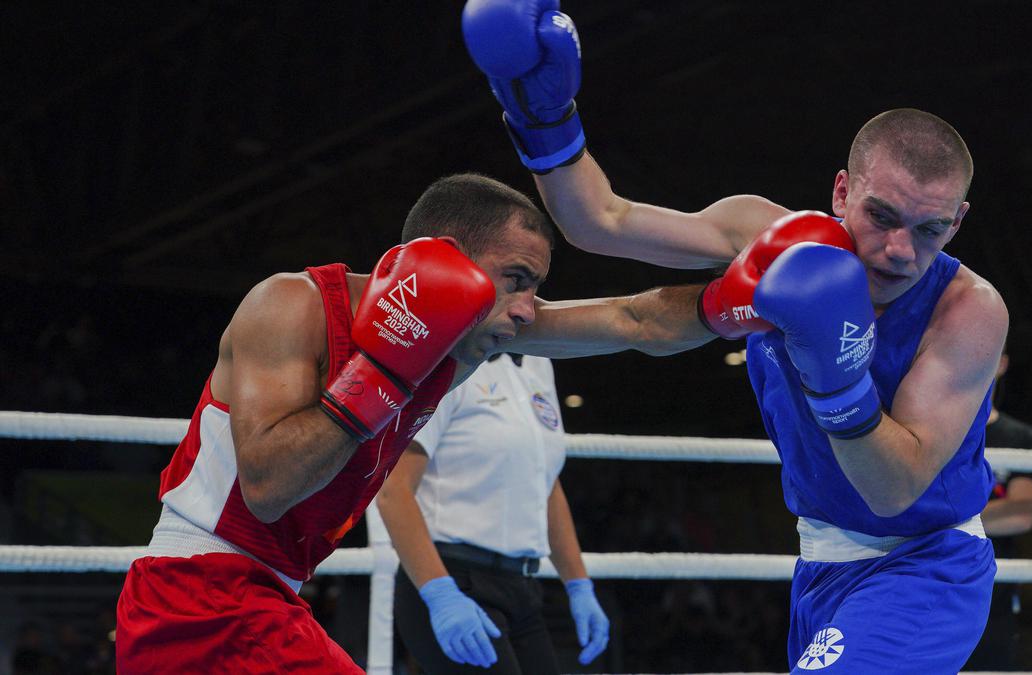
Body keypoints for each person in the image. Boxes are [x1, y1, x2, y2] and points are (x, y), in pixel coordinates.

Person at [461, 4, 1009, 672]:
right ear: (842, 191)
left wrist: (832, 372)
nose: (899, 251)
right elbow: (602, 224)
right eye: (882, 215)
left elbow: (892, 489)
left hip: (927, 565)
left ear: (959, 221)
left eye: (931, 228)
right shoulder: (767, 234)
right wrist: (543, 116)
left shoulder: (969, 311)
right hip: (821, 566)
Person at [114, 173, 713, 673]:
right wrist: (383, 374)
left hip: (266, 597)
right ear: (449, 260)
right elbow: (268, 489)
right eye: (517, 281)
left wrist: (742, 301)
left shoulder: (470, 339)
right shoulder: (290, 304)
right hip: (196, 594)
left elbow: (636, 321)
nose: (529, 309)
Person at [375, 352, 608, 673]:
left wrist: (578, 584)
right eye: (514, 296)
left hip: (523, 590)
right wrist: (440, 593)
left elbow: (544, 481)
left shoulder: (539, 363)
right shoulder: (449, 363)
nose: (526, 307)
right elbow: (392, 491)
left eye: (531, 297)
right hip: (452, 579)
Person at [965, 349, 1032, 671]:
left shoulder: (1021, 437)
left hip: (992, 588)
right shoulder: (932, 432)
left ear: (1003, 363)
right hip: (929, 572)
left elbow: (1020, 514)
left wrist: (941, 516)